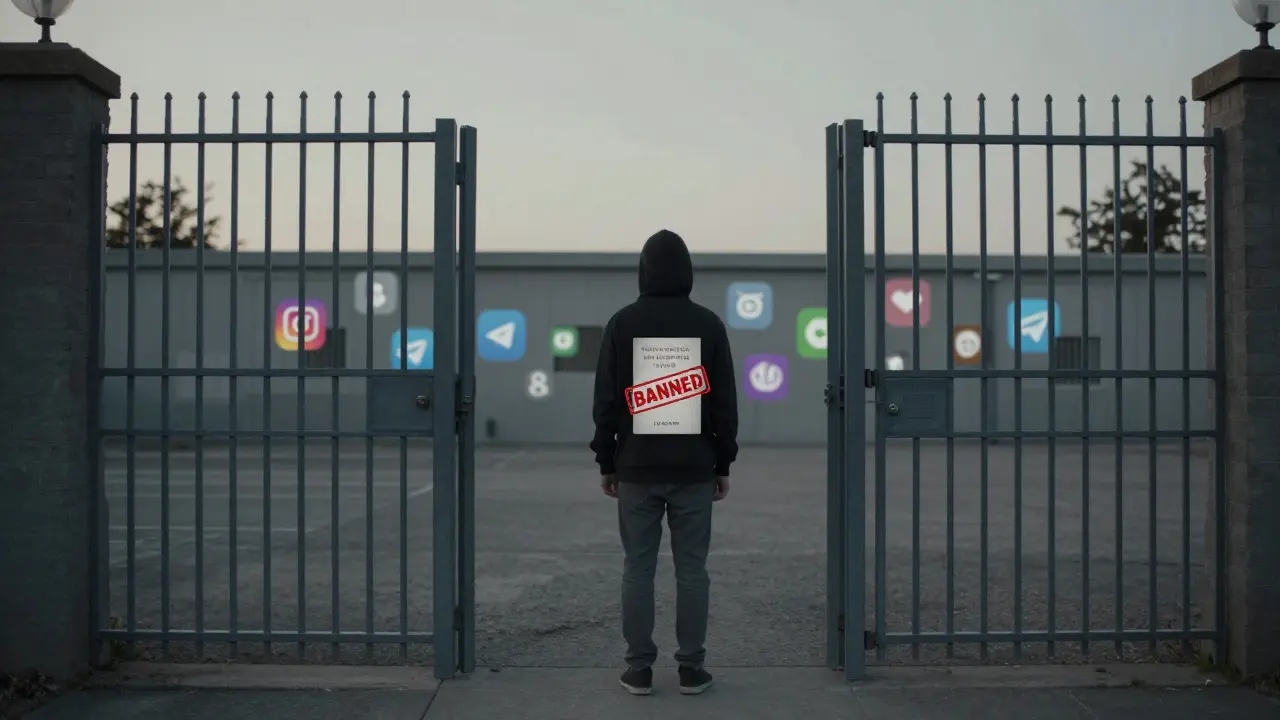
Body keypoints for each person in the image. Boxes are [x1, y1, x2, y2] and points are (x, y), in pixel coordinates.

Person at [590, 229, 739, 696]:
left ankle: (638, 669)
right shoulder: (709, 324)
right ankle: (691, 669)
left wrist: (607, 460)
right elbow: (724, 405)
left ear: (643, 270)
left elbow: (607, 401)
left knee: (638, 567)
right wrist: (723, 461)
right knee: (692, 570)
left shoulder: (622, 323)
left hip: (636, 467)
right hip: (694, 468)